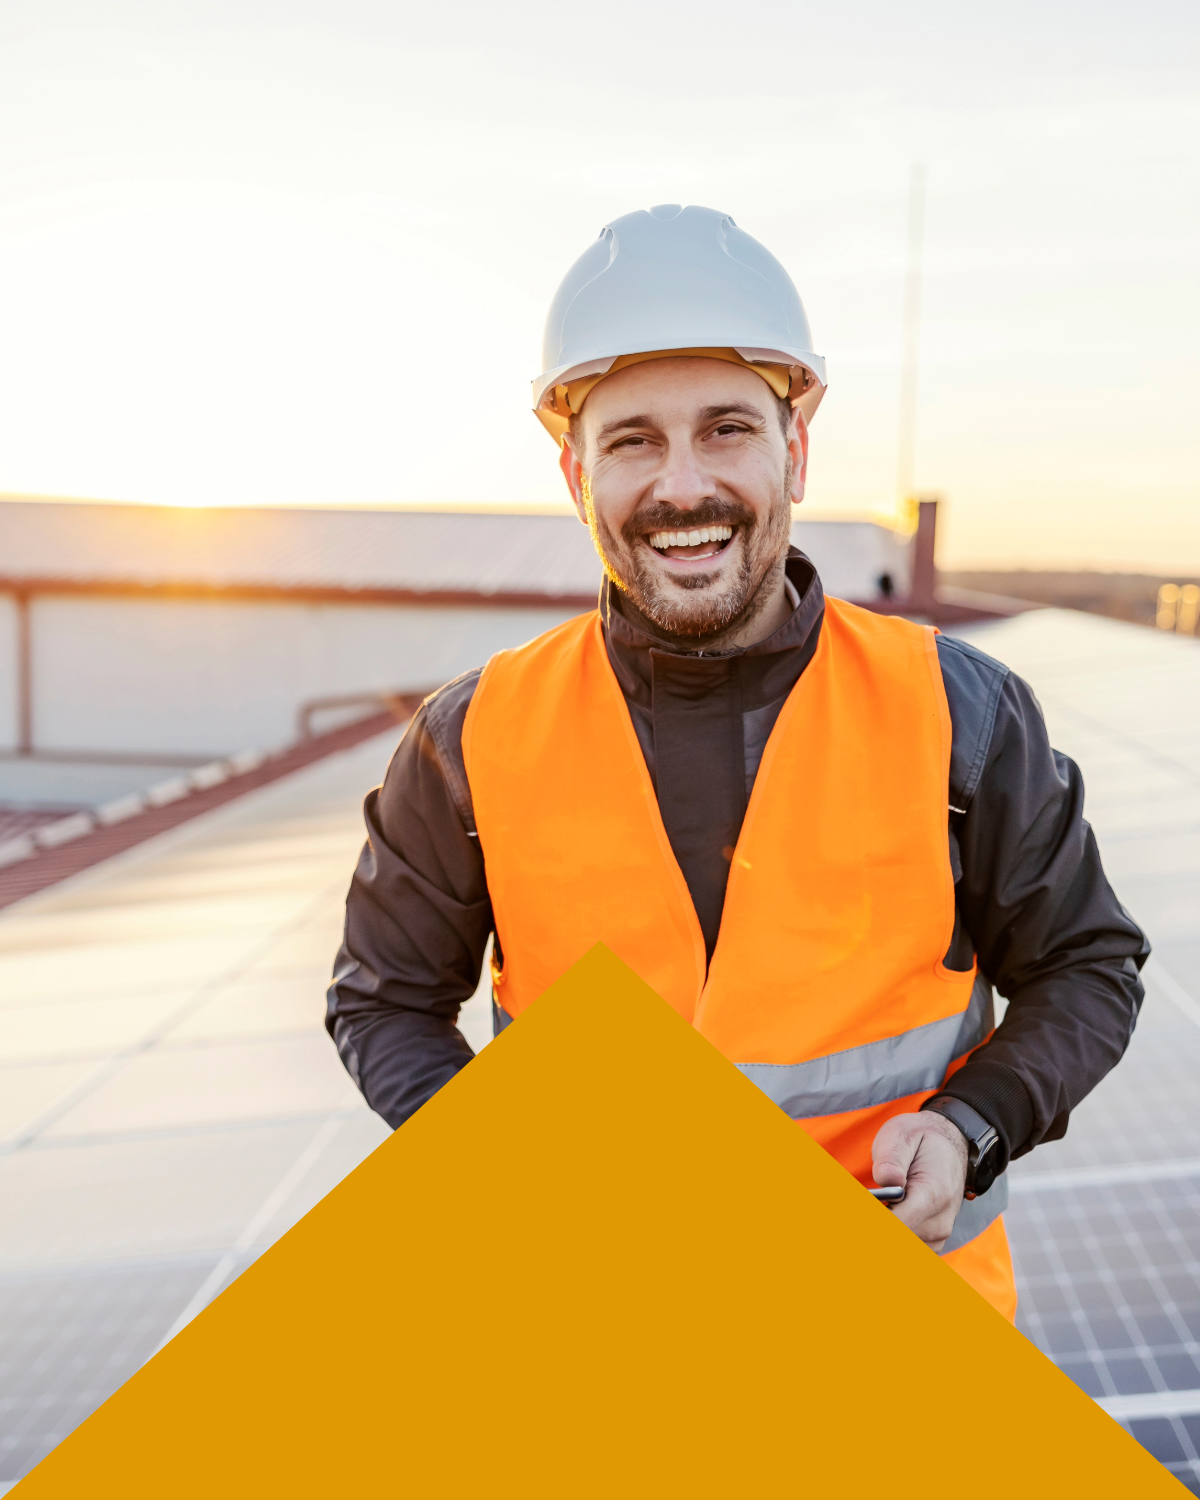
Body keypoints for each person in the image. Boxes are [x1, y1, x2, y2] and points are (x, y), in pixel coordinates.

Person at [326, 204, 1147, 1319]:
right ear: (575, 473)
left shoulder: (961, 712)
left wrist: (972, 1123)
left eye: (726, 429)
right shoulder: (470, 739)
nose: (682, 489)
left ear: (794, 451)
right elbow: (383, 1007)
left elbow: (1086, 966)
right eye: (632, 441)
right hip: (608, 1329)